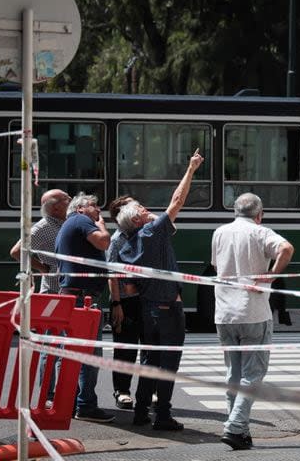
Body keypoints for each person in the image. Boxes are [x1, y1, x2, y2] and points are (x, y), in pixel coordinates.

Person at [117, 149, 204, 431]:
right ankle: (163, 415)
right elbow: (177, 201)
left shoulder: (127, 244)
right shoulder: (151, 232)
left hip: (147, 307)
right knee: (167, 364)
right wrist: (190, 170)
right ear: (138, 220)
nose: (147, 210)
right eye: (142, 210)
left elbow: (129, 283)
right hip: (167, 307)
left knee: (150, 361)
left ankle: (142, 411)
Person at [211, 192, 294, 450]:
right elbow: (286, 248)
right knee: (253, 374)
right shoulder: (260, 232)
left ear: (235, 211)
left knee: (233, 374)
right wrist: (269, 277)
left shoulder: (220, 233)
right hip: (254, 311)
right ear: (260, 214)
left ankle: (240, 432)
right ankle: (234, 427)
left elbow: (216, 267)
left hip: (224, 313)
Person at [55, 192, 116, 423]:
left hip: (74, 296)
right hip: (82, 300)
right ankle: (86, 405)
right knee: (90, 356)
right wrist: (101, 227)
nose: (99, 210)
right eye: (94, 206)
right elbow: (103, 242)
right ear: (80, 208)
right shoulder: (82, 221)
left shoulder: (71, 224)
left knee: (70, 353)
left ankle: (67, 403)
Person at [9, 189, 71, 408]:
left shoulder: (64, 223)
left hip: (63, 291)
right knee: (51, 345)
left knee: (63, 344)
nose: (71, 201)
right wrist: (41, 267)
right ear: (55, 207)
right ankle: (48, 392)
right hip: (53, 293)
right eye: (67, 200)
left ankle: (58, 392)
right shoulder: (42, 228)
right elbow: (17, 251)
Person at [106, 195, 144, 410]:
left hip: (145, 299)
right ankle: (122, 390)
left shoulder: (143, 233)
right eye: (134, 206)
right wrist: (117, 304)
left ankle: (150, 391)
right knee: (125, 348)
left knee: (149, 347)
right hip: (125, 301)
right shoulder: (117, 239)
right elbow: (112, 274)